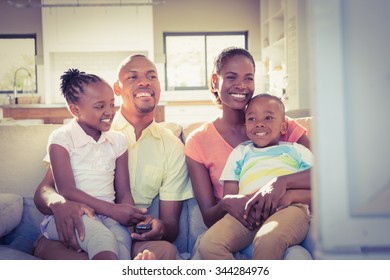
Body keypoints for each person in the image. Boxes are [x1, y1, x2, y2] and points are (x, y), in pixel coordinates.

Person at [33, 54, 194, 260]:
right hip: (75, 227)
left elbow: (171, 228)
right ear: (117, 89)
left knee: (165, 252)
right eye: (133, 77)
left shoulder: (171, 146)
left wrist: (157, 227)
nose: (144, 81)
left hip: (124, 232)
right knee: (92, 251)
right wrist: (59, 204)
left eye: (152, 76)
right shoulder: (84, 128)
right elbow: (45, 190)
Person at [185, 47, 312, 258]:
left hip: (286, 220)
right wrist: (227, 202)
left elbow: (327, 176)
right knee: (206, 248)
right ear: (215, 82)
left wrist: (282, 184)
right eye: (231, 77)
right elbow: (209, 216)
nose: (241, 85)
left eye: (248, 78)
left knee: (297, 257)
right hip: (239, 222)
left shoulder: (280, 124)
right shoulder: (198, 141)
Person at [40, 69, 142, 260]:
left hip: (109, 217)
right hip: (72, 215)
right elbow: (66, 190)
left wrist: (127, 212)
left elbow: (123, 191)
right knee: (103, 239)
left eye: (112, 104)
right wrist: (113, 210)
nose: (109, 112)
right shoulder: (61, 138)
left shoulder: (118, 141)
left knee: (121, 242)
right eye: (99, 106)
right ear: (75, 110)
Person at [198, 93, 312, 259]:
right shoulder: (240, 152)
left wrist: (289, 195)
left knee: (267, 240)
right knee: (209, 245)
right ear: (245, 126)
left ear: (283, 127)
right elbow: (231, 197)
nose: (259, 124)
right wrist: (242, 203)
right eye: (252, 119)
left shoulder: (296, 150)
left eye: (268, 118)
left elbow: (318, 179)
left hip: (289, 209)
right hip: (248, 212)